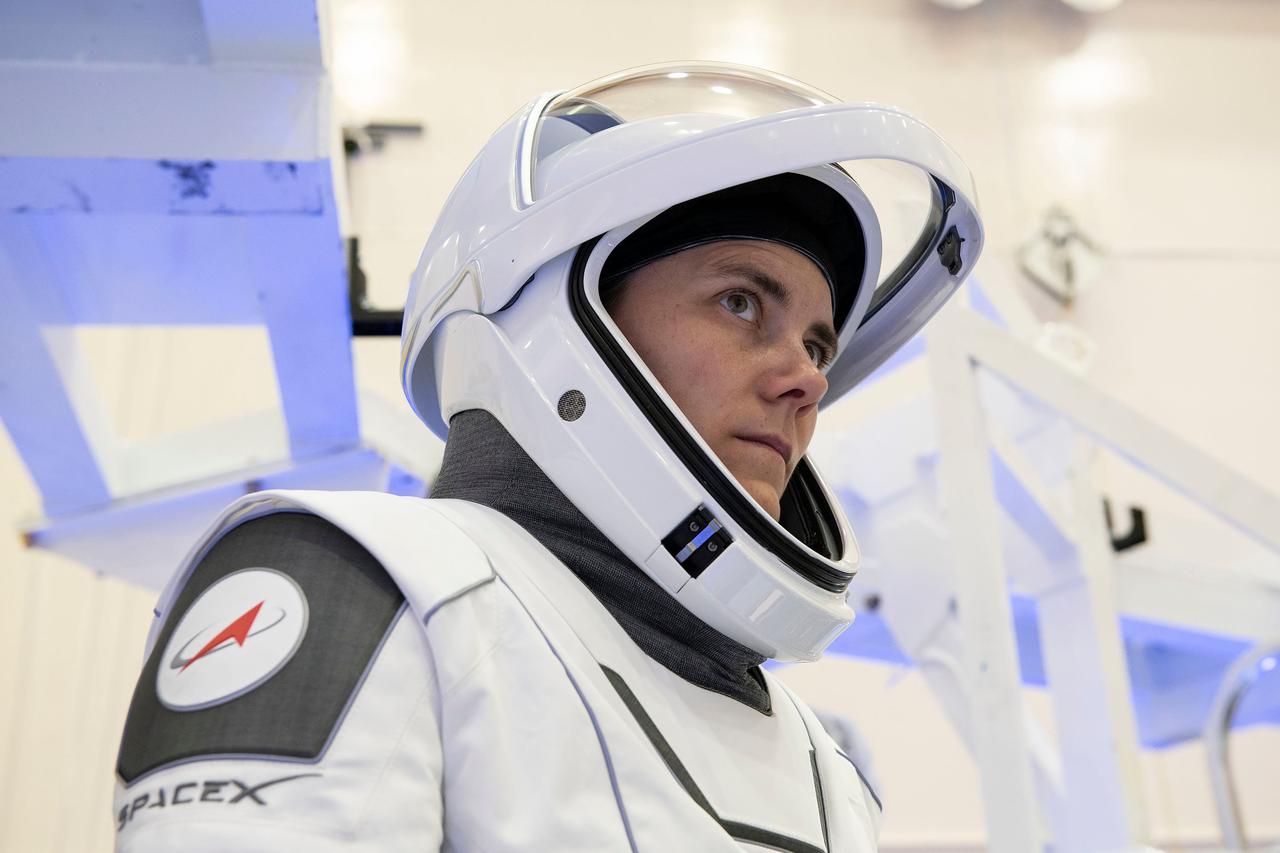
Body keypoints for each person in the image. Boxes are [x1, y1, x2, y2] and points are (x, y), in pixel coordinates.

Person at [112, 62, 982, 852]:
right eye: (742, 301)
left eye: (821, 346)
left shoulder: (824, 761)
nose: (806, 381)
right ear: (564, 319)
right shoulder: (363, 584)